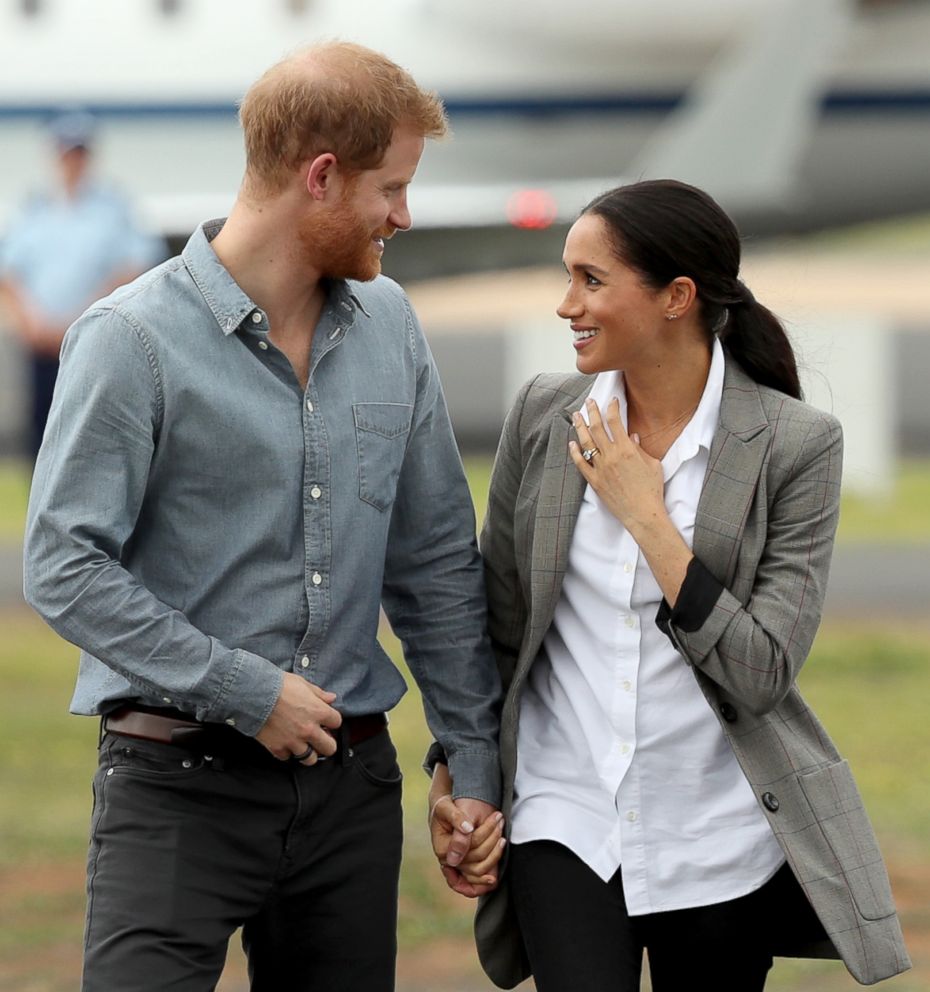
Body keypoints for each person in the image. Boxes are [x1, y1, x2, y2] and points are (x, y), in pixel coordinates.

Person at [23, 42, 501, 992]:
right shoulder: (130, 341)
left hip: (354, 794)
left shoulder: (393, 326)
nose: (404, 216)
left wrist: (473, 760)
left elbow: (437, 563)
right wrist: (245, 690)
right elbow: (62, 563)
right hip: (175, 791)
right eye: (391, 188)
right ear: (320, 176)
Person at [428, 179, 911, 990]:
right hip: (564, 818)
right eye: (566, 275)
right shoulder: (544, 417)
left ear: (677, 297)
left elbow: (761, 670)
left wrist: (649, 519)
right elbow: (499, 625)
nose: (565, 304)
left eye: (591, 280)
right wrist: (462, 772)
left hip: (717, 841)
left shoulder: (795, 446)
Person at [0, 109, 163, 461]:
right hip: (41, 342)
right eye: (66, 152)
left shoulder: (112, 207)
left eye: (79, 152)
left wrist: (85, 313)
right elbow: (10, 272)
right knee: (40, 428)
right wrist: (29, 321)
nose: (72, 161)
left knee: (89, 426)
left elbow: (137, 265)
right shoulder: (35, 207)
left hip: (92, 338)